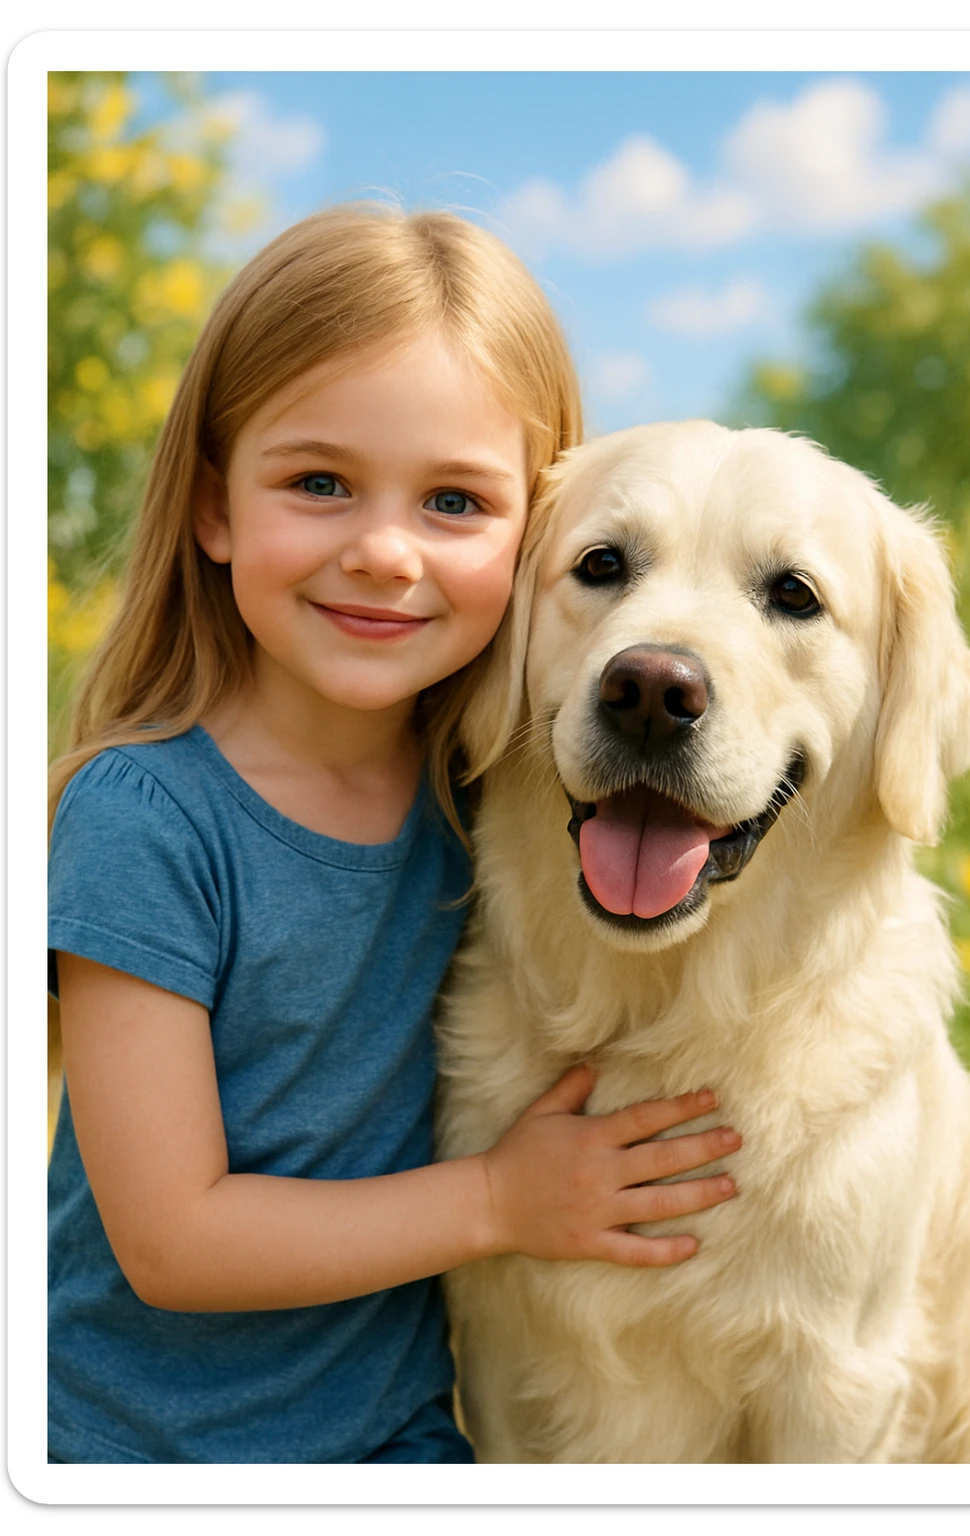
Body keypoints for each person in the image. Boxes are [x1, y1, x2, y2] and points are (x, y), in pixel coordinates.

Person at [47, 204, 742, 1465]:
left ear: (535, 546)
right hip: (133, 1449)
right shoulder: (141, 822)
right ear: (213, 508)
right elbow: (170, 1242)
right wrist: (498, 1201)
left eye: (454, 503)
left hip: (403, 1447)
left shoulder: (508, 807)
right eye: (319, 484)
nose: (380, 550)